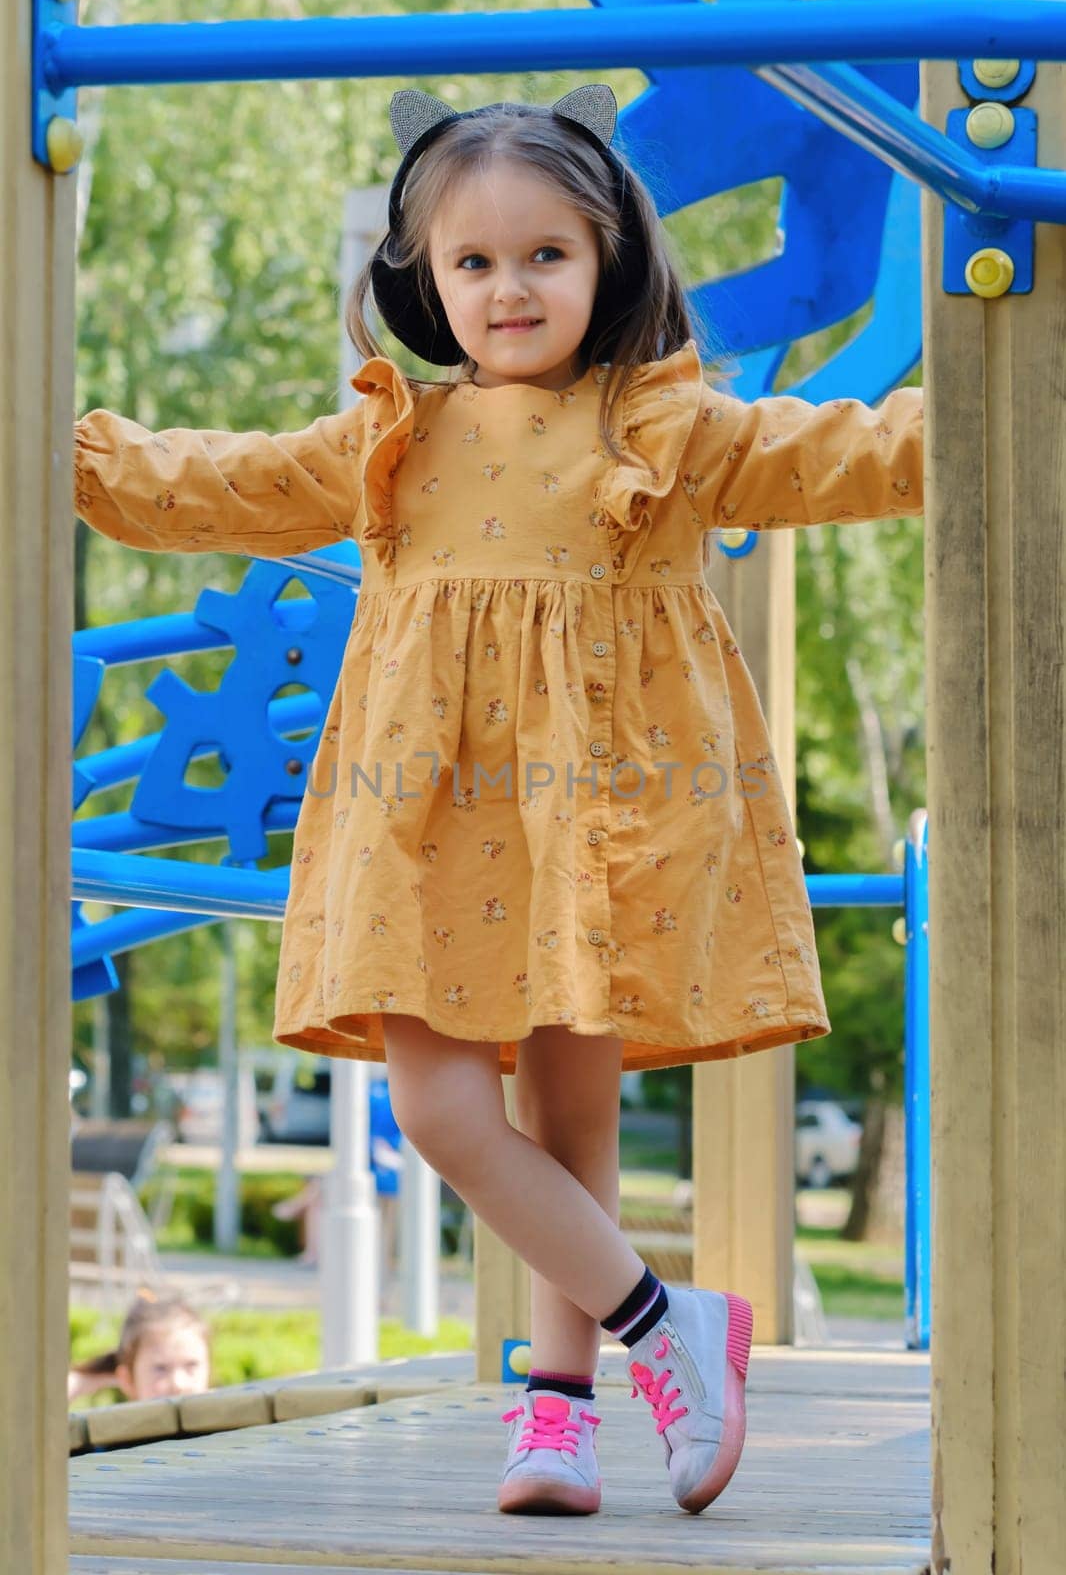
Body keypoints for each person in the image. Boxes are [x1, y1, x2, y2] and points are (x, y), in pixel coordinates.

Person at [72, 82, 924, 1516]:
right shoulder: (395, 441)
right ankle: (671, 1325)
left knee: (567, 1114)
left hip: (588, 812)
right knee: (447, 1108)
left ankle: (559, 1413)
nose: (510, 287)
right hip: (423, 819)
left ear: (609, 261)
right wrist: (75, 451)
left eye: (546, 255)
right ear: (423, 279)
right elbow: (209, 483)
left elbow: (838, 452)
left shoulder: (660, 426)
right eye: (473, 262)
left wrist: (999, 412)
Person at [68, 1289, 211, 1404]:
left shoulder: (227, 1428)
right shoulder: (119, 1436)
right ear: (127, 1379)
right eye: (160, 1368)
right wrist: (79, 1383)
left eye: (192, 1365)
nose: (178, 1384)